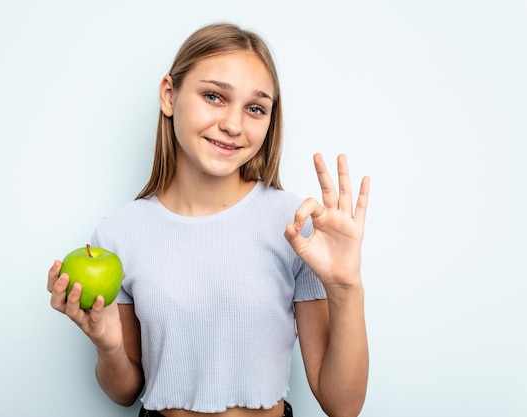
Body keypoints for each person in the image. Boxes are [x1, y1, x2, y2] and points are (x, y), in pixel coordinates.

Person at [47, 22, 370, 417]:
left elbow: (343, 406)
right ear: (169, 95)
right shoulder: (119, 233)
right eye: (214, 96)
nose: (233, 125)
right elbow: (125, 392)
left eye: (255, 108)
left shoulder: (296, 225)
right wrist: (108, 346)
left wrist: (345, 286)